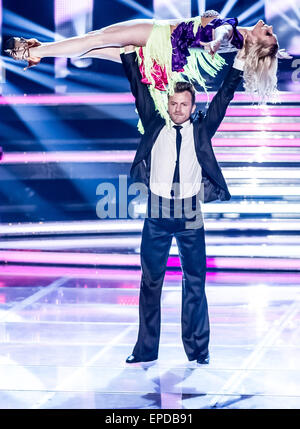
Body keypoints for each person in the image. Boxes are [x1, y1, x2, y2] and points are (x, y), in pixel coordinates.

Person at [117, 41, 246, 364]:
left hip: (190, 213)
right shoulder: (155, 123)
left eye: (183, 104)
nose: (177, 109)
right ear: (168, 105)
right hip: (158, 212)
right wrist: (130, 54)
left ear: (191, 106)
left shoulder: (202, 129)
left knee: (195, 284)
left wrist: (241, 62)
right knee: (150, 283)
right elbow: (139, 90)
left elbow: (224, 97)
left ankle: (199, 350)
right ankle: (145, 350)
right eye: (173, 103)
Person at [5, 10, 282, 105]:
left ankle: (33, 52)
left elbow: (221, 30)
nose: (268, 28)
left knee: (97, 38)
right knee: (94, 47)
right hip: (163, 53)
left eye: (269, 34)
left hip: (160, 36)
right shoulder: (236, 39)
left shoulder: (232, 34)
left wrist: (214, 41)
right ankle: (41, 49)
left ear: (258, 44)